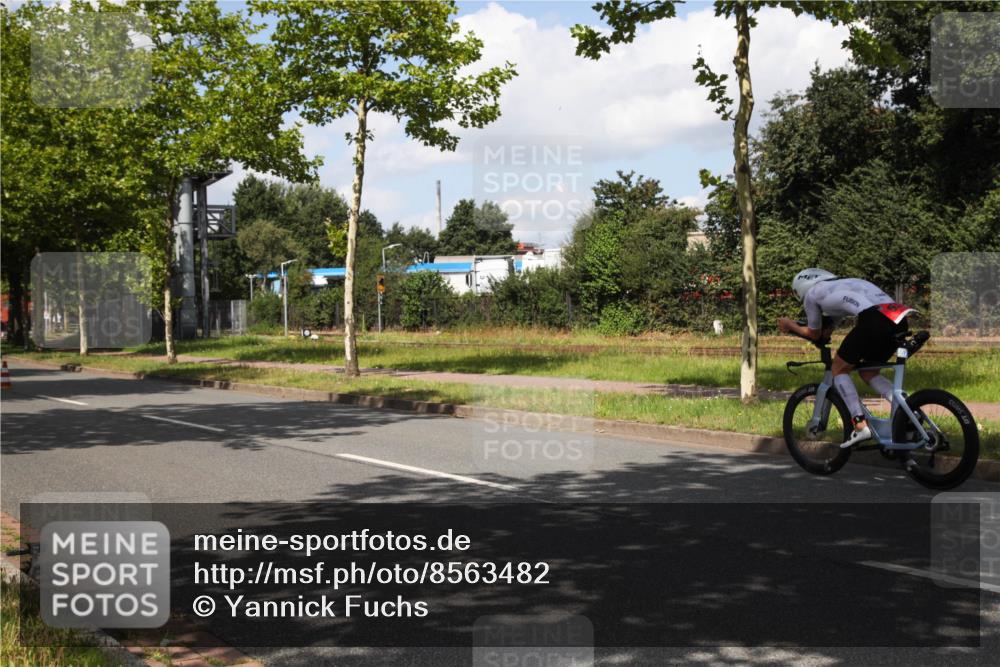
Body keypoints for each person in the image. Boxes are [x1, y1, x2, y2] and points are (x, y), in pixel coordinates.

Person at [777, 269, 914, 449]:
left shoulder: (812, 294)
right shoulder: (839, 286)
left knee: (839, 368)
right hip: (898, 317)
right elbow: (826, 332)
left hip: (874, 319)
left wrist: (790, 325)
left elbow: (814, 332)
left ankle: (859, 425)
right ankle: (909, 414)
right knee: (869, 372)